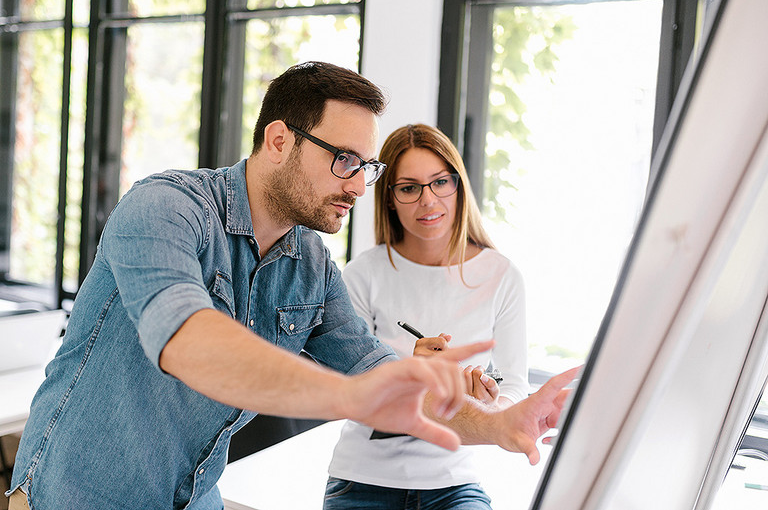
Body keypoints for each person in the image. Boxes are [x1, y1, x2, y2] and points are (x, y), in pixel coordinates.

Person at [6, 62, 575, 510]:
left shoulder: (311, 264)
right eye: (344, 160)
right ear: (279, 140)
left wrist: (501, 425)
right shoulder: (167, 208)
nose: (358, 185)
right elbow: (187, 341)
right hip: (75, 497)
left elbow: (380, 375)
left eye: (367, 167)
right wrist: (348, 397)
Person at [324, 124, 528, 509]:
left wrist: (488, 402)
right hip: (362, 482)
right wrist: (410, 376)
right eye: (409, 188)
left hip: (454, 483)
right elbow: (346, 391)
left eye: (440, 183)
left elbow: (515, 387)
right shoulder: (363, 274)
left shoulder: (501, 276)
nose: (428, 200)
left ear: (458, 186)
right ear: (389, 199)